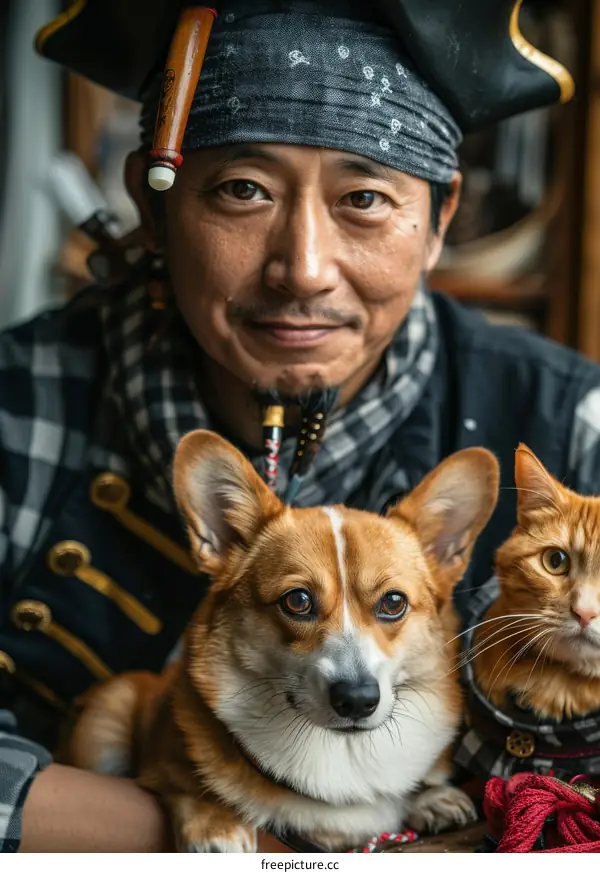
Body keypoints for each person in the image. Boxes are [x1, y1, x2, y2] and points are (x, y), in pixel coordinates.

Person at [0, 0, 598, 854]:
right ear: (152, 205)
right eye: (243, 190)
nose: (303, 269)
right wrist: (200, 821)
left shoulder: (573, 424)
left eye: (364, 197)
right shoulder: (20, 400)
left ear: (439, 220)